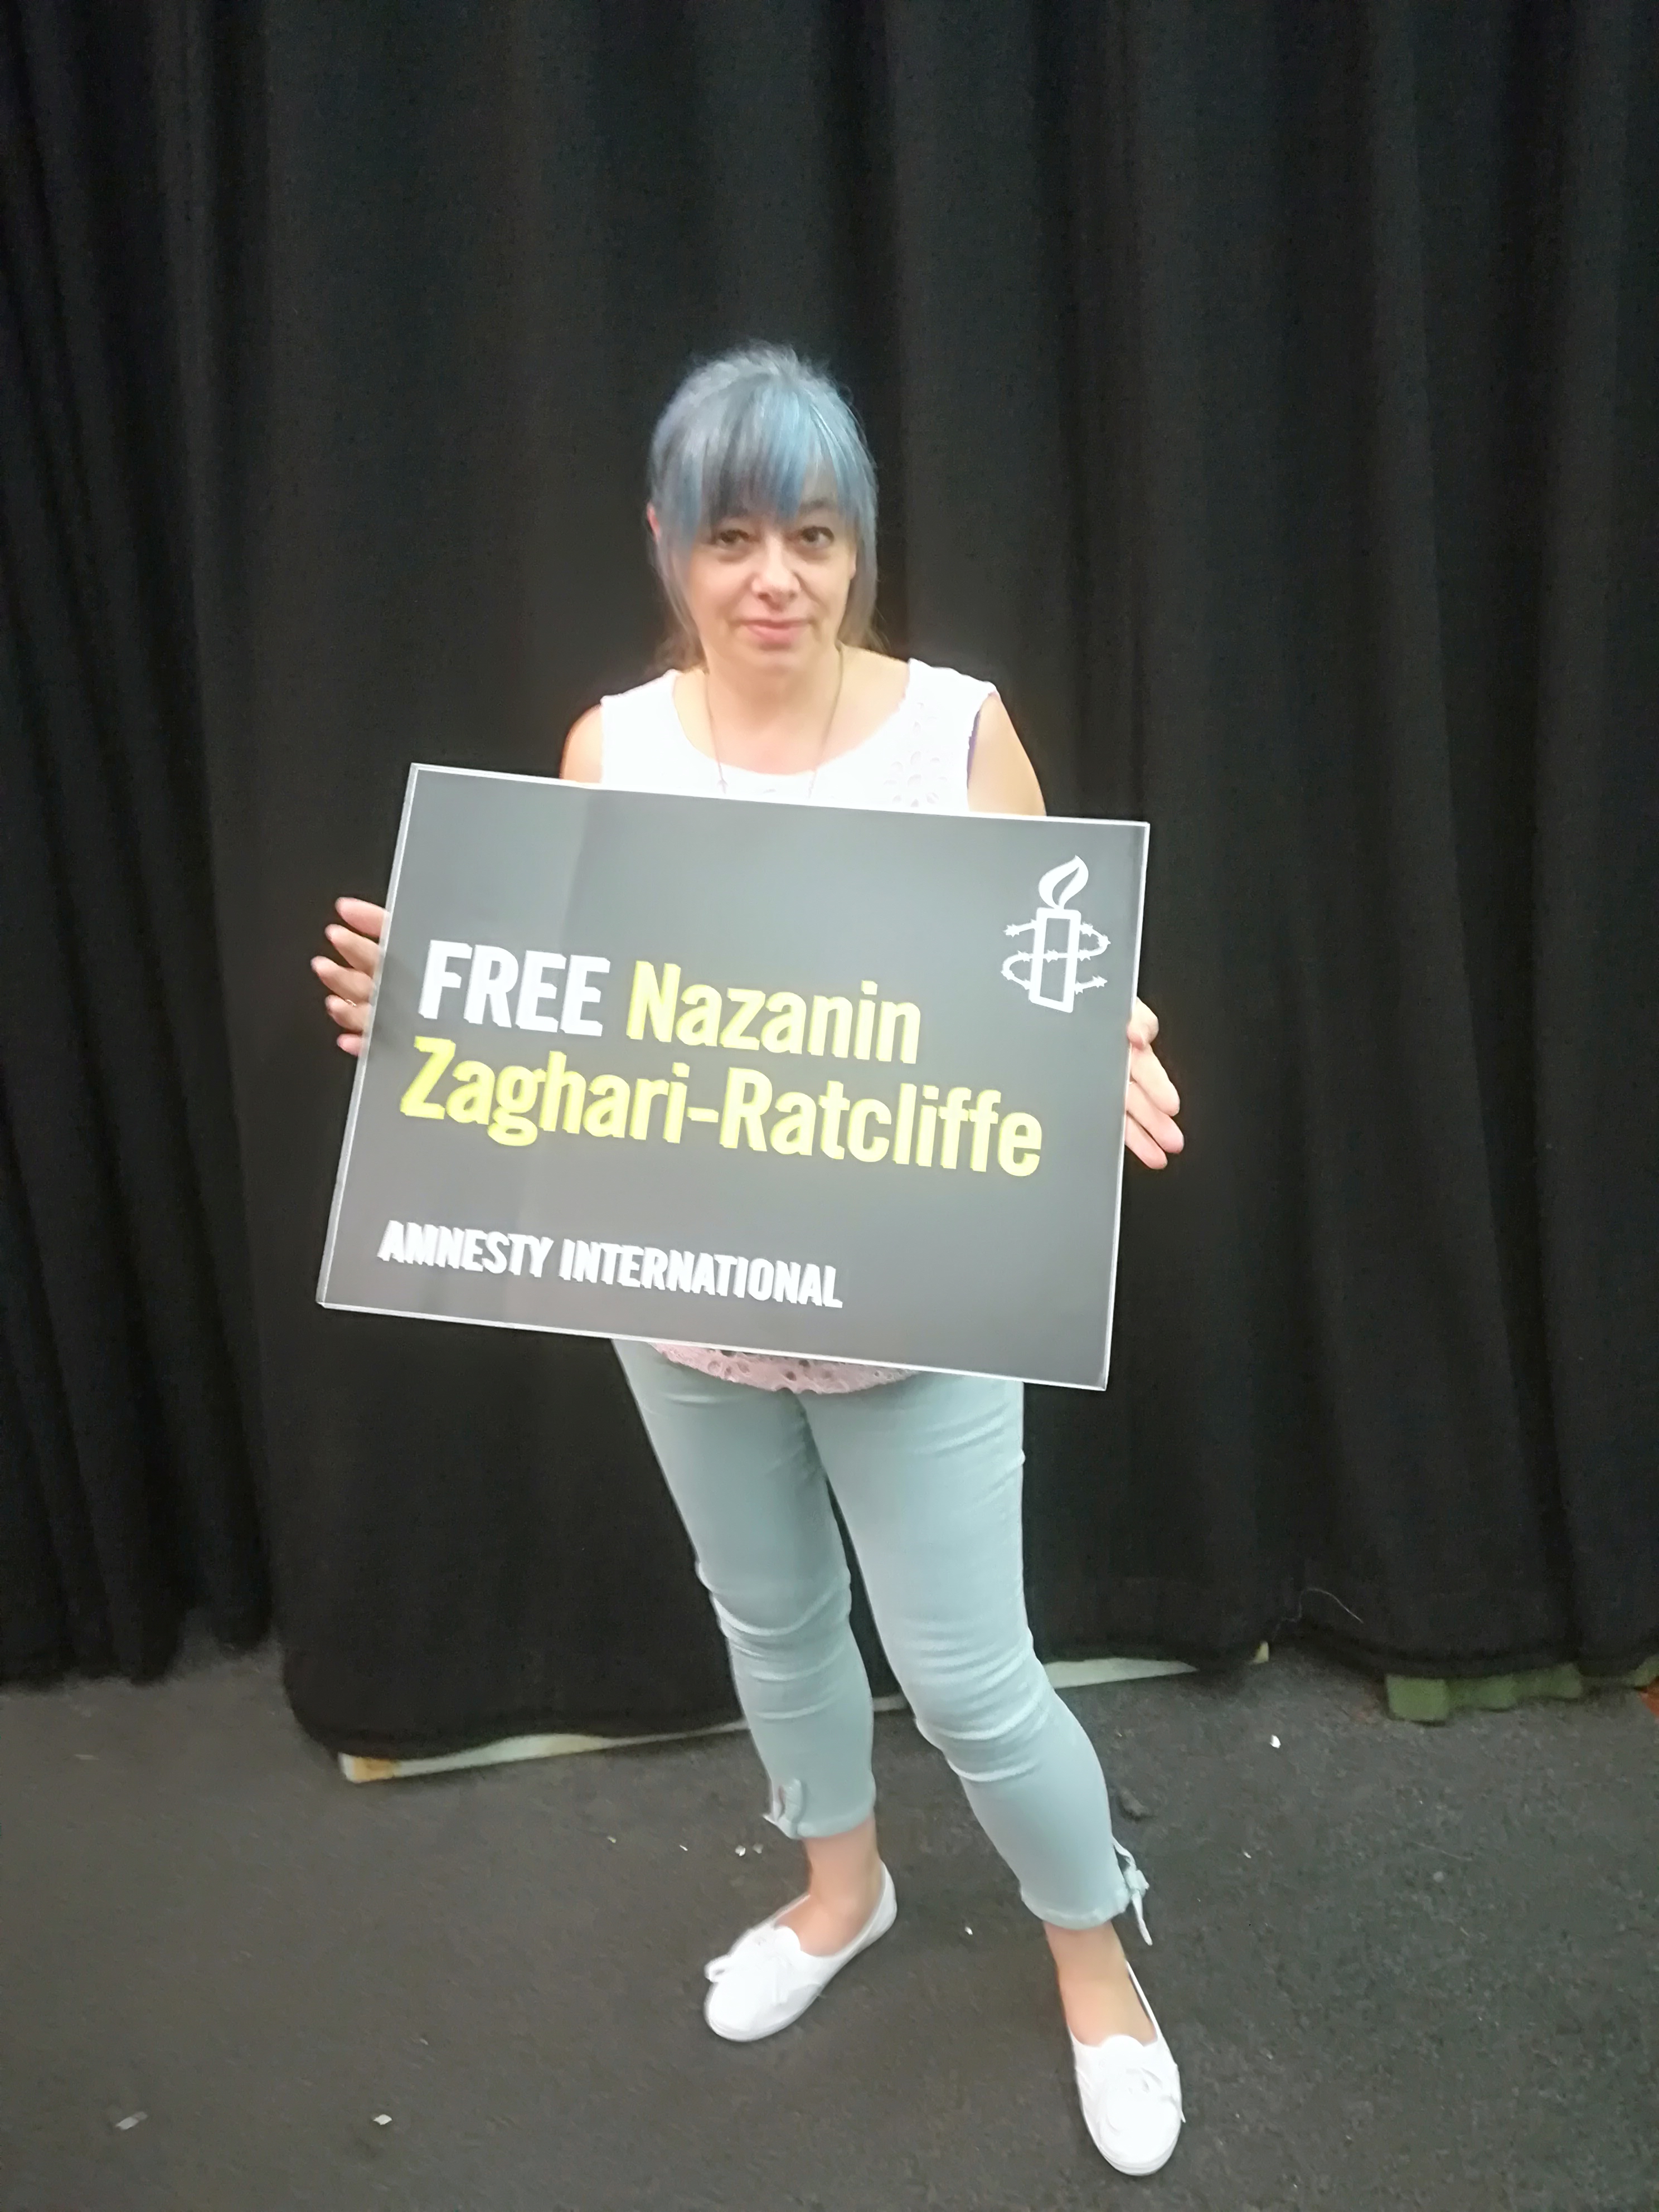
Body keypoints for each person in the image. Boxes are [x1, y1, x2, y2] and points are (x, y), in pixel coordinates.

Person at [312, 345, 1187, 2177]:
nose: (773, 577)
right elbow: (579, 1030)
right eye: (731, 537)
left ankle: (1095, 1954)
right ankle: (843, 1889)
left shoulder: (955, 733)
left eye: (811, 534)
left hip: (921, 1317)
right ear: (668, 547)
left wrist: (1101, 1048)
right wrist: (438, 1013)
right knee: (771, 1624)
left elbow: (1057, 991)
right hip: (686, 1319)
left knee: (973, 1682)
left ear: (858, 546)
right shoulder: (611, 747)